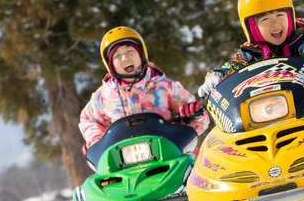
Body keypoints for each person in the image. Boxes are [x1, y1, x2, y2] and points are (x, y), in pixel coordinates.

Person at [198, 0, 304, 97]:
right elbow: (232, 68)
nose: (275, 23)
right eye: (265, 19)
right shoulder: (250, 55)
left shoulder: (301, 40)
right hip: (264, 111)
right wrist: (217, 77)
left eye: (280, 15)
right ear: (253, 28)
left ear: (290, 18)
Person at [79, 26, 210, 149]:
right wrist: (97, 142)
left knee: (193, 169)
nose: (125, 58)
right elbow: (89, 119)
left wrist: (193, 115)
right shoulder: (105, 95)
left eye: (130, 51)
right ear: (110, 65)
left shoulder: (166, 87)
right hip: (125, 160)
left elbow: (199, 117)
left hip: (167, 151)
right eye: (117, 55)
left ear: (142, 55)